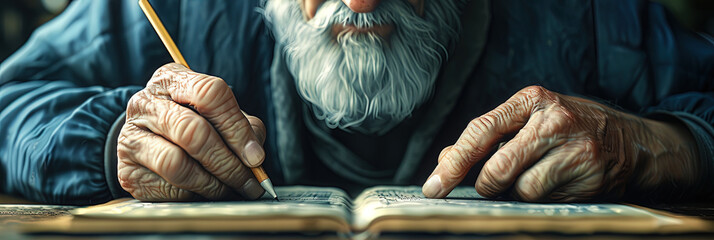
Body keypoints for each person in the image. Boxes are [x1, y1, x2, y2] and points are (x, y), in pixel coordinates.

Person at [0, 0, 712, 205]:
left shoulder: (586, 15)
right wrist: (111, 142)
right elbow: (10, 100)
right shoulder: (171, 8)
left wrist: (667, 143)